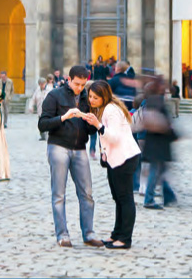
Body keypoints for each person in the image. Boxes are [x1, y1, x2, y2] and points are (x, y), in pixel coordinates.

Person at [38, 65, 103, 248]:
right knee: (59, 194)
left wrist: (92, 122)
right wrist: (63, 118)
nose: (80, 88)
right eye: (77, 84)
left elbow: (91, 130)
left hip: (80, 148)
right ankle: (62, 234)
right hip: (58, 146)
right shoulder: (55, 96)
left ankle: (89, 233)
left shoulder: (86, 97)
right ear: (69, 79)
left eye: (83, 84)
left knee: (87, 194)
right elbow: (42, 124)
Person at [82, 80, 140, 249]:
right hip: (115, 159)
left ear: (104, 97)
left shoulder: (111, 110)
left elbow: (114, 137)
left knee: (125, 198)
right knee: (118, 198)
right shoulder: (105, 108)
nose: (91, 100)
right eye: (90, 97)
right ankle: (117, 234)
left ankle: (125, 238)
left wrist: (97, 125)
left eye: (95, 97)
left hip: (124, 157)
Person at [141, 78, 177, 210]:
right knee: (156, 171)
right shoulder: (159, 102)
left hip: (152, 141)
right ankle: (149, 199)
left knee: (160, 170)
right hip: (159, 143)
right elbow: (166, 123)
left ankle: (168, 196)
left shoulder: (149, 102)